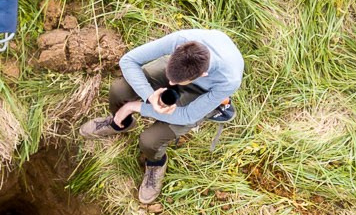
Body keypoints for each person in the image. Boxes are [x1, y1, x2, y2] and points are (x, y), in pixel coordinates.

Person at [79, 28, 244, 204]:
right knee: (119, 90)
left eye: (175, 83)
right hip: (179, 70)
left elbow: (187, 115)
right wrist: (149, 95)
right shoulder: (183, 40)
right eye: (170, 80)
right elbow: (128, 60)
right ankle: (120, 124)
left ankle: (156, 163)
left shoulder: (229, 79)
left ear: (202, 75)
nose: (171, 85)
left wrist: (136, 107)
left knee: (149, 141)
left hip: (203, 91)